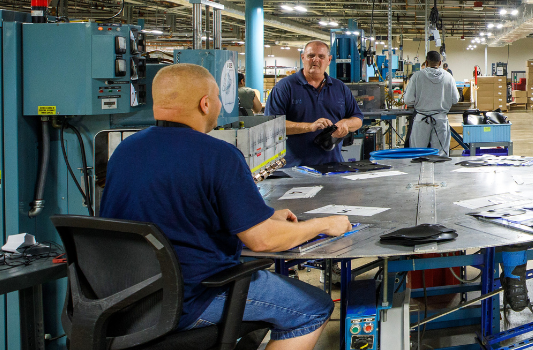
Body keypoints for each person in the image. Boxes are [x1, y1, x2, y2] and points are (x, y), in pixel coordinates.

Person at [101, 63, 351, 350]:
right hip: (193, 297)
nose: (220, 105)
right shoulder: (218, 154)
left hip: (124, 299)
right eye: (218, 98)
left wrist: (264, 216)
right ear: (205, 104)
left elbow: (175, 211)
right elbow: (262, 240)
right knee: (312, 308)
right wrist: (323, 223)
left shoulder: (125, 150)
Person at [267, 40, 364, 167]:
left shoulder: (339, 87)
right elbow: (272, 126)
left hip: (333, 165)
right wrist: (309, 127)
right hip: (294, 169)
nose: (316, 60)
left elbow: (358, 118)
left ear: (329, 60)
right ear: (303, 58)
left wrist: (346, 124)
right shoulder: (285, 87)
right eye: (311, 55)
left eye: (321, 56)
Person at [402, 51, 460, 156]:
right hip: (440, 120)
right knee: (441, 155)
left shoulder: (417, 76)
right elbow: (455, 99)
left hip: (421, 120)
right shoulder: (448, 77)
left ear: (426, 62)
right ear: (440, 63)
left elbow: (408, 100)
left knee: (418, 155)